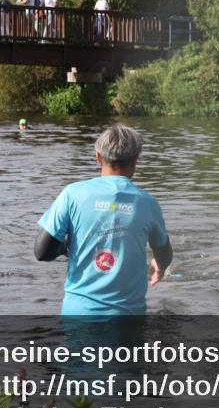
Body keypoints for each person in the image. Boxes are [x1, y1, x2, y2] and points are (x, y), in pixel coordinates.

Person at [35, 123, 173, 315]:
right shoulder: (148, 203)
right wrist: (160, 268)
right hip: (128, 316)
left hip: (79, 313)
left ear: (99, 158)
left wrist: (65, 247)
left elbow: (42, 252)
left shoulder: (72, 194)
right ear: (135, 160)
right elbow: (164, 252)